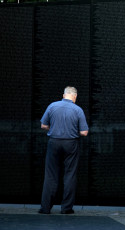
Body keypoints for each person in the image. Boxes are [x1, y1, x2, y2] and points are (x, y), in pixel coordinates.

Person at [39, 86, 89, 214]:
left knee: (50, 174)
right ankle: (66, 208)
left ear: (63, 95)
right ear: (75, 96)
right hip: (71, 144)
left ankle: (45, 208)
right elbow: (84, 132)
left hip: (54, 142)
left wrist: (54, 128)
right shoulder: (78, 110)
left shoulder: (52, 106)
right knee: (70, 175)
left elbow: (43, 125)